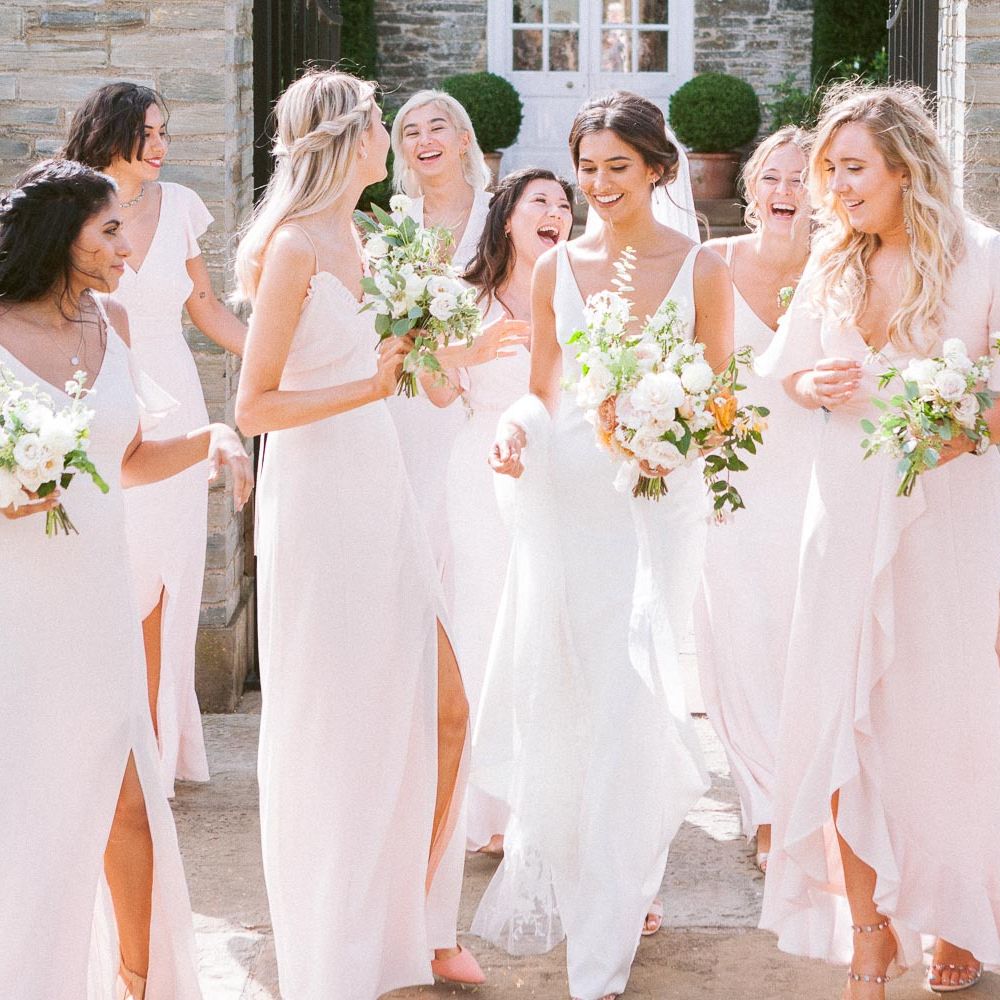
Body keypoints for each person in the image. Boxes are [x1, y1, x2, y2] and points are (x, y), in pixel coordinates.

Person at [473, 91, 733, 1000]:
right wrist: (513, 426)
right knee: (574, 697)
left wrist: (672, 430)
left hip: (655, 508)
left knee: (635, 700)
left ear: (658, 170)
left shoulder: (701, 269)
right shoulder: (557, 270)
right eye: (586, 168)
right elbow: (541, 390)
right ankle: (599, 875)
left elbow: (722, 402)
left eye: (616, 167)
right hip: (568, 505)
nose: (597, 184)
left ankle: (607, 934)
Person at [233, 69, 484, 999]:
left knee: (437, 708)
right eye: (383, 123)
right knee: (335, 722)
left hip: (382, 488)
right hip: (319, 500)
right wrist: (370, 387)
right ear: (349, 138)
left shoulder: (369, 235)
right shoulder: (295, 245)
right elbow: (256, 402)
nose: (392, 138)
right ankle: (332, 943)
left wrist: (447, 359)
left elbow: (396, 362)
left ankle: (396, 928)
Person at [756, 84, 1000, 998]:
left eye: (853, 168)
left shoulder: (986, 261)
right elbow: (786, 378)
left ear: (907, 168)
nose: (837, 187)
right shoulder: (831, 264)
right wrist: (814, 384)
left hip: (953, 529)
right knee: (839, 721)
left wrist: (966, 426)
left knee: (945, 729)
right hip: (846, 518)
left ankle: (956, 914)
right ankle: (867, 931)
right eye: (830, 171)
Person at [0, 158, 252, 1000]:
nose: (128, 251)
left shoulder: (114, 321)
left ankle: (141, 985)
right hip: (18, 611)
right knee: (29, 814)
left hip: (97, 603)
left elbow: (129, 458)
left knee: (130, 806)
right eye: (110, 231)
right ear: (57, 234)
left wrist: (213, 437)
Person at [62, 82, 247, 796]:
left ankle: (157, 749)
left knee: (167, 573)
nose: (165, 146)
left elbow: (205, 308)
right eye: (152, 132)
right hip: (95, 400)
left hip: (173, 404)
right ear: (114, 132)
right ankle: (103, 743)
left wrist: (284, 361)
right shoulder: (65, 204)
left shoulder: (182, 209)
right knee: (107, 567)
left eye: (167, 131)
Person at [423, 168, 575, 853]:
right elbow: (431, 390)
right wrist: (463, 349)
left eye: (565, 204)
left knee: (548, 624)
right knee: (487, 621)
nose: (557, 211)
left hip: (558, 472)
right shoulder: (464, 297)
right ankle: (489, 808)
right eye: (541, 201)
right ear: (507, 216)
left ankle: (542, 798)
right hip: (479, 470)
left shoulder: (580, 291)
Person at [694, 126, 816, 873]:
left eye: (801, 180)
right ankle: (766, 807)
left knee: (810, 640)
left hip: (819, 476)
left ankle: (813, 797)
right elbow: (683, 367)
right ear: (751, 189)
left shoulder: (844, 269)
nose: (784, 193)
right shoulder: (712, 265)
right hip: (732, 482)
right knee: (743, 638)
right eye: (772, 178)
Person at [384, 89, 495, 590]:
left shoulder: (499, 215)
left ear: (463, 138)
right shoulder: (395, 223)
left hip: (482, 384)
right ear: (401, 150)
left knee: (476, 528)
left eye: (436, 127)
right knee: (419, 522)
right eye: (411, 132)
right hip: (414, 394)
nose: (424, 140)